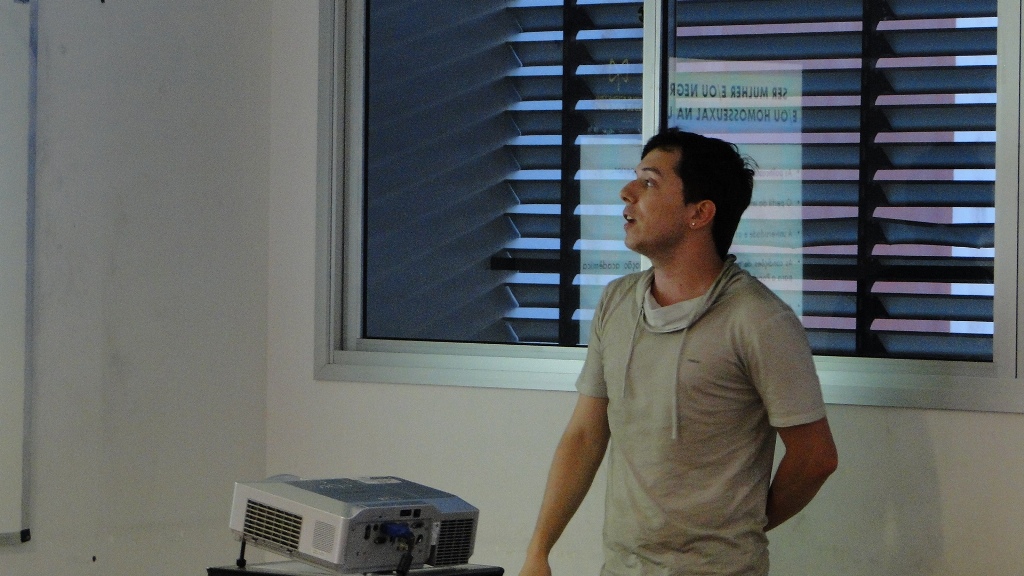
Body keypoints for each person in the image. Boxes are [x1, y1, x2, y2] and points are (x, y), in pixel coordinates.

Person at [519, 129, 838, 576]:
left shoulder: (759, 319)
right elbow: (585, 436)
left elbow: (815, 458)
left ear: (699, 213)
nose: (627, 192)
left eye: (649, 182)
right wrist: (539, 551)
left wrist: (739, 527)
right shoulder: (616, 302)